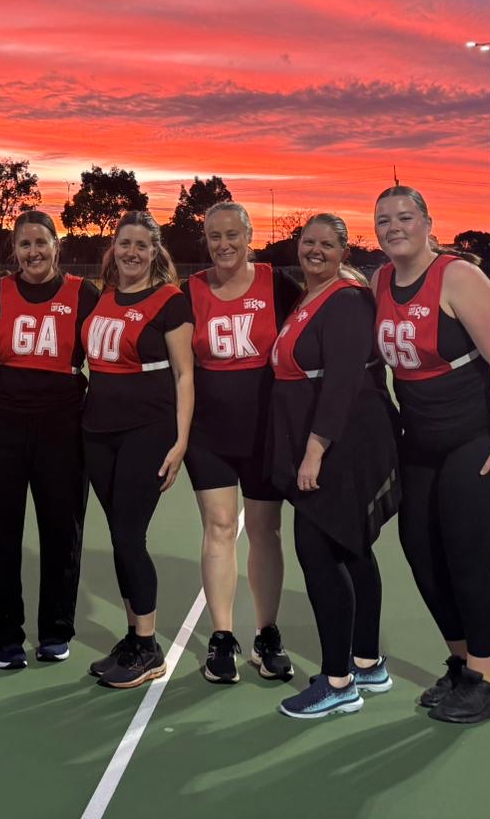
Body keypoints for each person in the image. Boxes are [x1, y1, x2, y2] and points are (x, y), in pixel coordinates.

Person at [374, 185, 490, 725]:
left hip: (481, 433)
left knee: (466, 554)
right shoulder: (378, 282)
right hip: (423, 439)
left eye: (404, 217)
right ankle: (463, 663)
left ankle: (487, 681)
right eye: (383, 220)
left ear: (427, 223)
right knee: (420, 550)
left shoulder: (457, 277)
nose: (394, 227)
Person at [268, 214, 398, 720]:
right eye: (308, 242)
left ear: (345, 251)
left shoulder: (346, 300)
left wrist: (314, 451)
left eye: (327, 244)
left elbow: (343, 382)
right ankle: (367, 662)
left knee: (319, 553)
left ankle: (338, 682)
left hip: (342, 444)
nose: (315, 250)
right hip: (331, 440)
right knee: (352, 549)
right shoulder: (312, 295)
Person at [0, 210, 96, 671]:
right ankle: (5, 635)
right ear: (14, 251)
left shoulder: (84, 294)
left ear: (56, 245)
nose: (33, 252)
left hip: (63, 424)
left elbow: (109, 352)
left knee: (62, 529)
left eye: (41, 242)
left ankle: (56, 630)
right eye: (24, 244)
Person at [183, 201, 299, 686]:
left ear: (249, 236)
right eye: (214, 236)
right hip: (209, 432)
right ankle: (222, 637)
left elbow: (317, 322)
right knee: (219, 526)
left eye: (232, 234)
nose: (223, 244)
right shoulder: (189, 290)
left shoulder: (277, 285)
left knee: (266, 530)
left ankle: (266, 633)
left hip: (264, 431)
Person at [82, 211, 195, 690]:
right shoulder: (104, 296)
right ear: (114, 248)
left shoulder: (171, 301)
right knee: (119, 536)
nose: (131, 252)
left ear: (155, 252)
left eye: (141, 245)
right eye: (124, 243)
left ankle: (149, 646)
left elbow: (185, 375)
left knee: (131, 536)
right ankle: (132, 637)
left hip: (146, 431)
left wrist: (181, 441)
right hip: (97, 431)